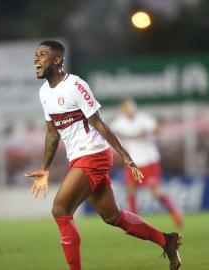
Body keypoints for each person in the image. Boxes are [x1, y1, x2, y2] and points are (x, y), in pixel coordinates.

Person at [25, 40, 182, 270]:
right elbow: (52, 133)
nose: (36, 59)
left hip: (93, 155)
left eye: (42, 55)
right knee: (112, 217)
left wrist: (125, 155)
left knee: (60, 209)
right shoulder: (44, 93)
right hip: (80, 158)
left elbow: (98, 123)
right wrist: (44, 168)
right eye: (35, 55)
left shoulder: (75, 85)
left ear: (57, 60)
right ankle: (166, 240)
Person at [111, 99, 183, 227]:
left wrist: (149, 131)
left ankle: (174, 213)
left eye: (129, 108)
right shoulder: (119, 123)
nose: (127, 111)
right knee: (131, 191)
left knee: (155, 192)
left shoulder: (143, 119)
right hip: (133, 162)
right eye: (125, 109)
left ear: (133, 108)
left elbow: (157, 128)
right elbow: (109, 132)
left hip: (149, 160)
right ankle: (135, 221)